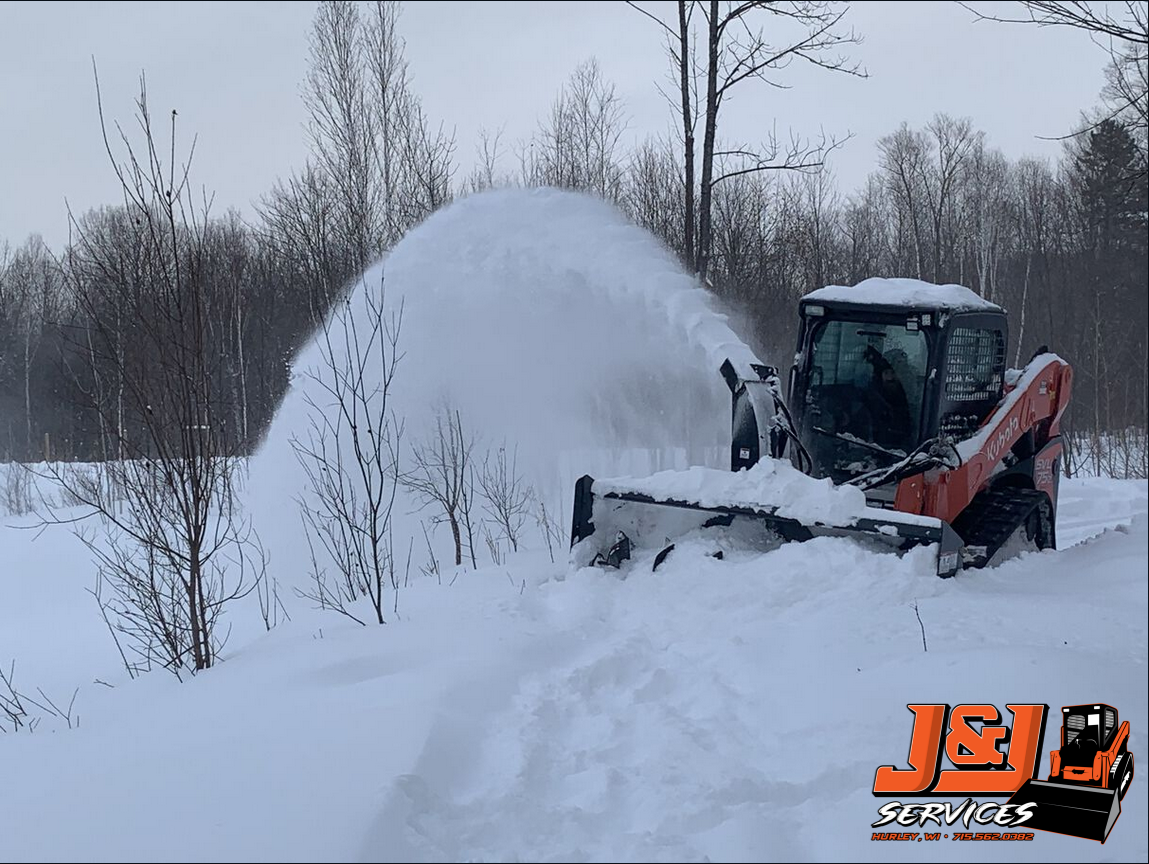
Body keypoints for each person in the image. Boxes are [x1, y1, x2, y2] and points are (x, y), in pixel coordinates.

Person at [862, 346, 913, 451]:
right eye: (886, 373)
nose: (890, 378)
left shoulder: (912, 398)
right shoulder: (871, 396)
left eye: (893, 373)